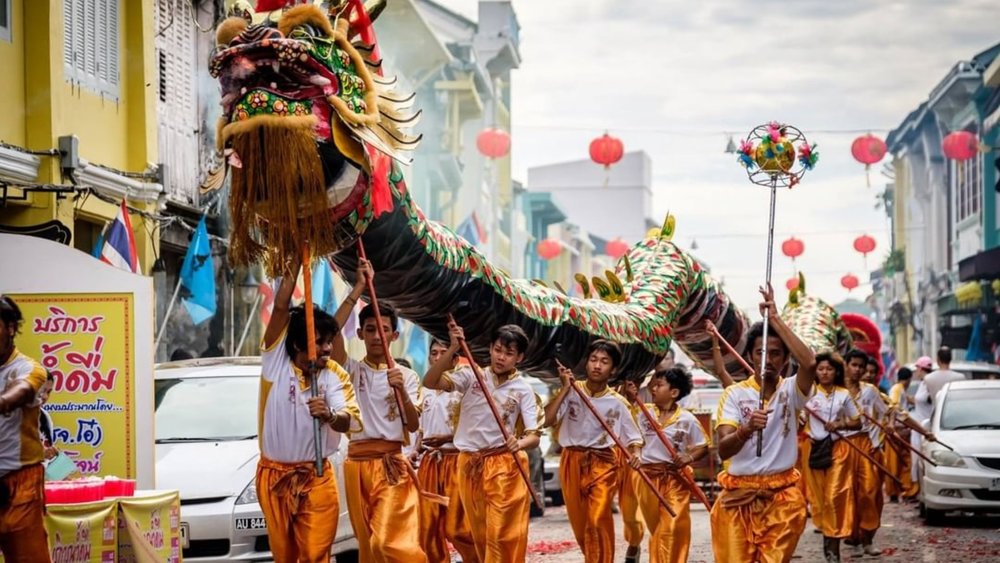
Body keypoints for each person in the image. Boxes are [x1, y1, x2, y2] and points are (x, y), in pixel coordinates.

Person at [255, 258, 362, 563]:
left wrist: (329, 415)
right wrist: (291, 261)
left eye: (330, 341)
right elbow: (280, 308)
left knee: (316, 555)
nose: (328, 348)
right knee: (285, 557)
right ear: (300, 342)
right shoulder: (275, 362)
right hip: (274, 477)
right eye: (322, 341)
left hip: (316, 476)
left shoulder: (333, 375)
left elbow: (349, 420)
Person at [710, 284, 817, 563]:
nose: (767, 360)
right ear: (750, 356)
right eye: (760, 353)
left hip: (782, 499)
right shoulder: (735, 394)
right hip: (738, 497)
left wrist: (776, 318)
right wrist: (745, 431)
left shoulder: (792, 391)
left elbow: (810, 363)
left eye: (776, 353)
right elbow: (724, 450)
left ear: (785, 360)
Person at [332, 261, 427, 563]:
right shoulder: (351, 371)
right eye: (370, 330)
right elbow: (331, 335)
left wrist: (400, 390)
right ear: (359, 334)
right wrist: (358, 288)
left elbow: (412, 425)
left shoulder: (407, 376)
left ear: (394, 336)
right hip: (356, 466)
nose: (377, 336)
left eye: (383, 330)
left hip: (390, 466)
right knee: (370, 547)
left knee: (391, 542)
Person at [424, 321, 542, 563]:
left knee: (500, 534)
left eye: (509, 354)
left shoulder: (523, 390)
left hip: (503, 466)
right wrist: (453, 347)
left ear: (519, 357)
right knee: (479, 534)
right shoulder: (470, 376)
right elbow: (431, 382)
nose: (501, 357)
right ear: (490, 348)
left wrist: (518, 444)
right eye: (498, 350)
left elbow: (534, 435)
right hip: (468, 464)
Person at [543, 340, 642, 563]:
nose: (597, 365)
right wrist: (566, 389)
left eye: (604, 362)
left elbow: (634, 437)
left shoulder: (618, 403)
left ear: (613, 369)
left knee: (597, 519)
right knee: (581, 527)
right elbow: (547, 420)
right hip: (571, 460)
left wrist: (635, 453)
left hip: (603, 462)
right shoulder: (571, 391)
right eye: (593, 360)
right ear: (586, 363)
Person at [626, 367, 708, 563]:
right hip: (646, 479)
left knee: (671, 526)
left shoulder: (687, 419)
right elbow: (632, 439)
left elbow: (703, 447)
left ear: (674, 393)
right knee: (657, 529)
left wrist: (688, 457)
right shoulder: (642, 412)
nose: (653, 389)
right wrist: (635, 453)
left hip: (674, 479)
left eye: (659, 385)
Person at [0, 295, 53, 563]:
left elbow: (17, 393)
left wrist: (4, 400)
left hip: (20, 484)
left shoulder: (29, 369)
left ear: (10, 328)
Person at [415, 339, 476, 563]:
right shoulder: (425, 390)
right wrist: (417, 448)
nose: (438, 357)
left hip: (456, 460)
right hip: (429, 463)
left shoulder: (464, 387)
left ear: (454, 358)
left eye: (444, 352)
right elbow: (421, 428)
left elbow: (474, 429)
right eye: (434, 353)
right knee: (428, 527)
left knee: (458, 528)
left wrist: (447, 438)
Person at [801, 352, 860, 563]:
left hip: (838, 450)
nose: (824, 373)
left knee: (834, 496)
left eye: (829, 369)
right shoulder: (806, 393)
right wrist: (802, 419)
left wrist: (840, 424)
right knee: (819, 500)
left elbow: (857, 422)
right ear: (815, 371)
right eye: (820, 369)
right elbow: (797, 421)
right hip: (814, 449)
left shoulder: (844, 394)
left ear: (836, 371)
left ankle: (833, 549)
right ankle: (829, 542)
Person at [884, 367, 918, 501]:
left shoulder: (899, 389)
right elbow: (894, 406)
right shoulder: (897, 389)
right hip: (896, 431)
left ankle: (903, 489)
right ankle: (897, 490)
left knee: (903, 461)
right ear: (909, 379)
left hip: (901, 431)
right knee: (897, 462)